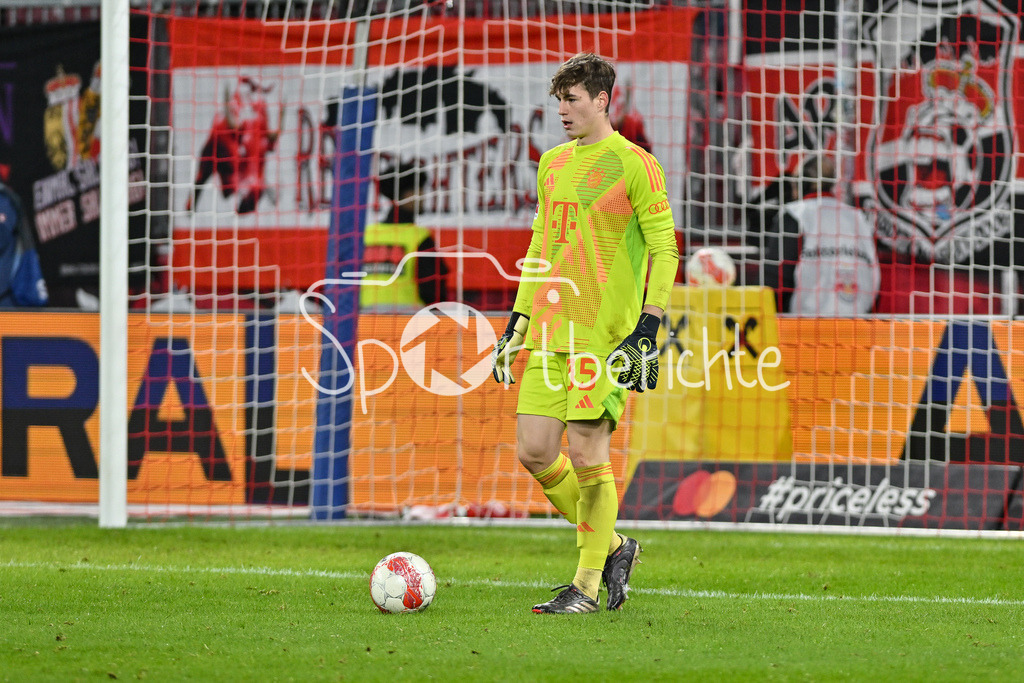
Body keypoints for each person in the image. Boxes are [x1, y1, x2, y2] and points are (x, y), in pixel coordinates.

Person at [490, 53, 679, 614]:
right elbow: (541, 249)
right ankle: (615, 544)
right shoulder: (551, 164)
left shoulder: (636, 165)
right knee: (534, 450)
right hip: (550, 330)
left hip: (605, 335)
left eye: (573, 99)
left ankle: (586, 584)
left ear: (602, 100)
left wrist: (648, 326)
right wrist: (517, 324)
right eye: (559, 101)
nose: (563, 110)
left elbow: (666, 250)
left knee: (588, 451)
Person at [762, 154, 879, 315]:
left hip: (805, 327)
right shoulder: (856, 217)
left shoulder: (795, 214)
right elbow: (874, 276)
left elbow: (776, 279)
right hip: (856, 326)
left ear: (802, 182)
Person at [187, 77, 283, 214]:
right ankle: (191, 205)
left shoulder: (259, 110)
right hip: (221, 149)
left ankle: (245, 201)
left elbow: (265, 141)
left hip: (240, 160)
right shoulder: (234, 109)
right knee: (203, 177)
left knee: (251, 180)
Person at [360, 161, 448, 309]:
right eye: (419, 190)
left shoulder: (367, 234)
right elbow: (433, 292)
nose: (423, 196)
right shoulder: (419, 237)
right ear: (407, 194)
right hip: (409, 323)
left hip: (366, 323)